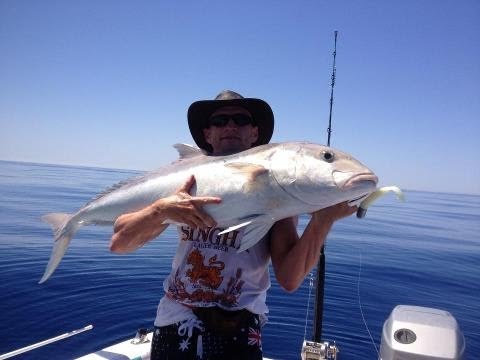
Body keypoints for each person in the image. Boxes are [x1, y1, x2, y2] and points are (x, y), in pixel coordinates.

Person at [110, 90, 357, 360]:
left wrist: (323, 220)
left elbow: (289, 278)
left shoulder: (278, 193)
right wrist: (161, 210)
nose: (230, 126)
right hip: (173, 321)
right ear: (207, 134)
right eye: (220, 121)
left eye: (240, 119)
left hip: (238, 331)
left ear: (254, 133)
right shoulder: (183, 181)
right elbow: (120, 243)